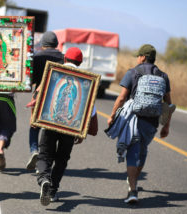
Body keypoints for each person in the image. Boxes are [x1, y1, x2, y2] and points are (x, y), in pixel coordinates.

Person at [107, 44, 173, 203]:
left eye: (139, 56)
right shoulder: (163, 76)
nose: (137, 58)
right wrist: (166, 126)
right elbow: (168, 104)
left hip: (134, 119)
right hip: (151, 123)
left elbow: (122, 97)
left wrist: (112, 115)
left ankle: (133, 191)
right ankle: (133, 181)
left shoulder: (133, 72)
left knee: (132, 153)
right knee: (142, 151)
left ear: (143, 57)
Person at [36, 47, 97, 206]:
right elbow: (90, 114)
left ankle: (44, 179)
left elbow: (41, 97)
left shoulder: (53, 75)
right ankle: (53, 190)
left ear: (65, 59)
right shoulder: (86, 82)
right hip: (70, 128)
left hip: (50, 123)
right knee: (62, 160)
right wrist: (82, 131)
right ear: (80, 62)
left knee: (44, 155)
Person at [26, 31, 64, 171]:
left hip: (39, 96)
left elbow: (32, 81)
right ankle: (44, 160)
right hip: (58, 99)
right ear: (56, 44)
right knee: (50, 130)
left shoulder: (37, 57)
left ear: (42, 44)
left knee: (34, 125)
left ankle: (34, 150)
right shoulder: (64, 58)